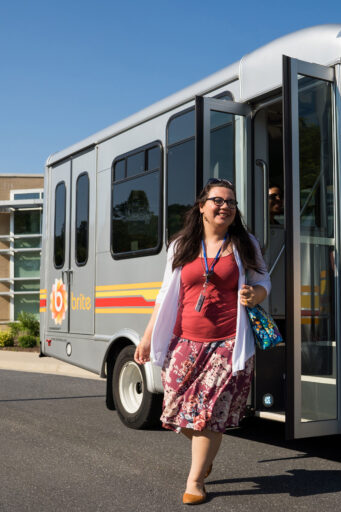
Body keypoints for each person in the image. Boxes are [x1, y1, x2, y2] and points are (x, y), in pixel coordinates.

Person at [134, 178, 271, 505]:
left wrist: (256, 293)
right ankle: (204, 453)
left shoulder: (243, 244)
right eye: (218, 200)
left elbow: (263, 278)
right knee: (175, 412)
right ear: (202, 206)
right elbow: (165, 293)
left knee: (209, 414)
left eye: (231, 202)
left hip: (228, 342)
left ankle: (195, 479)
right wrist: (147, 337)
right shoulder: (181, 245)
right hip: (184, 342)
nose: (225, 206)